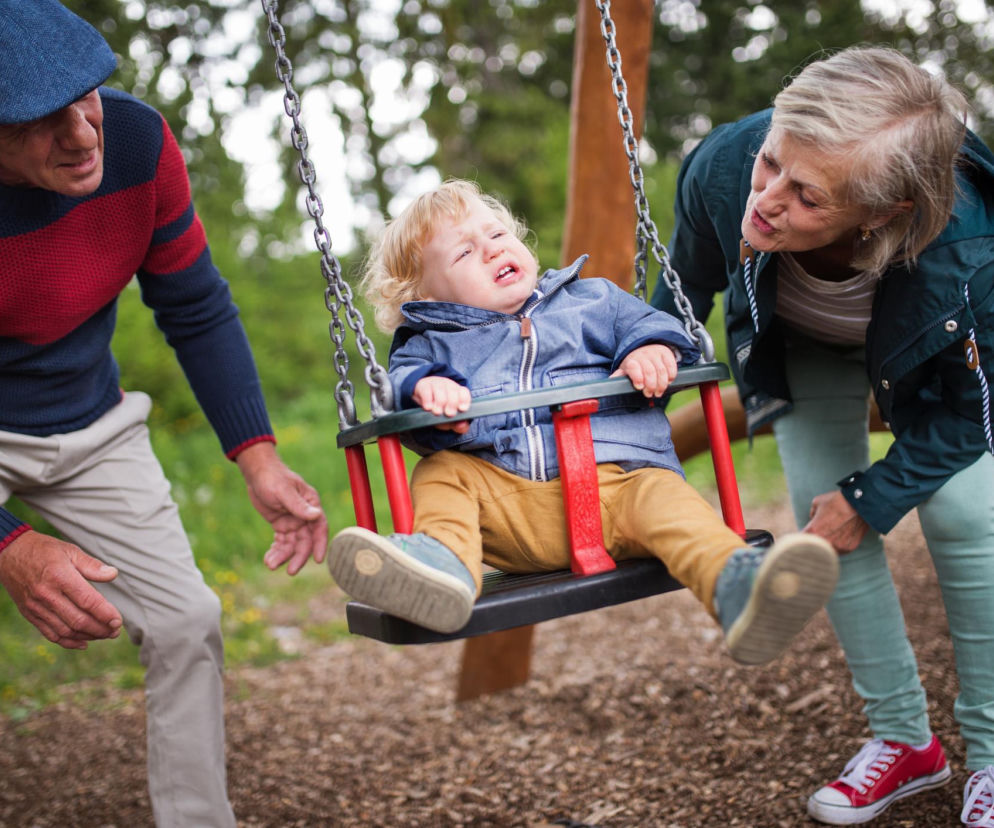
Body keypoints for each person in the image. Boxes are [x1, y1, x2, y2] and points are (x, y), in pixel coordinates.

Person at [0, 2, 328, 825]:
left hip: (88, 421)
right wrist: (10, 547)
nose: (83, 135)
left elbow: (194, 304)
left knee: (189, 619)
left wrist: (256, 455)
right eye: (43, 121)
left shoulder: (139, 144)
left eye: (89, 97)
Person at [652, 45, 994, 826]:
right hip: (799, 346)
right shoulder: (725, 168)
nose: (767, 199)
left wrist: (872, 495)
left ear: (883, 214)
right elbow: (677, 297)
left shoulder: (972, 243)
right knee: (824, 521)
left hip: (936, 375)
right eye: (773, 162)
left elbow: (975, 405)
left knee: (964, 517)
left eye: (806, 195)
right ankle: (905, 742)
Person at [327, 178, 838, 669]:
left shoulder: (593, 300)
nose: (490, 250)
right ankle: (444, 569)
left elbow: (652, 324)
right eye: (463, 253)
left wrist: (651, 349)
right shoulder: (429, 346)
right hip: (512, 510)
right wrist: (425, 391)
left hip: (622, 487)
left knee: (671, 502)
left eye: (497, 235)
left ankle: (740, 590)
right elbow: (399, 390)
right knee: (442, 474)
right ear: (426, 298)